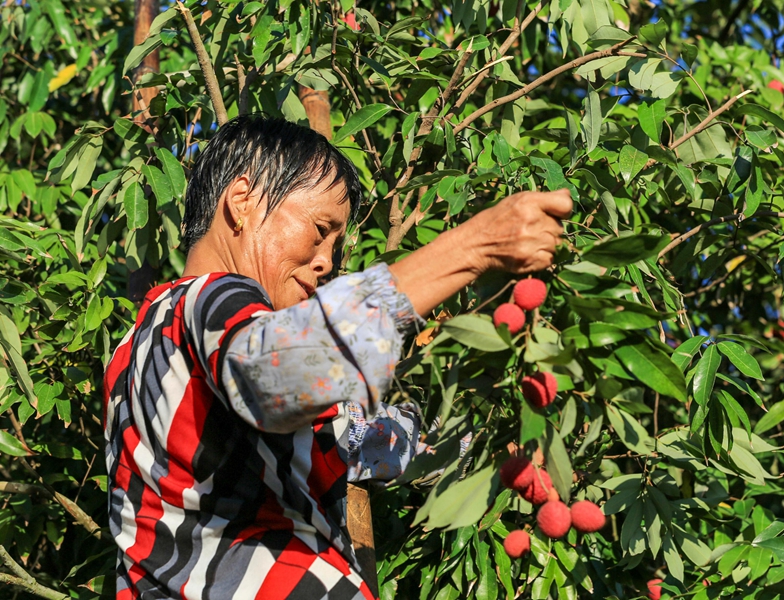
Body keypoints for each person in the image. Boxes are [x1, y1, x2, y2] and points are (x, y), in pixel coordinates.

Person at [104, 115, 572, 599]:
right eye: (319, 229)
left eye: (335, 244)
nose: (327, 262)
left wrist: (499, 452)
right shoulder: (205, 300)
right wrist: (474, 246)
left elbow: (363, 436)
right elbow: (273, 371)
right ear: (241, 201)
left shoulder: (150, 353)